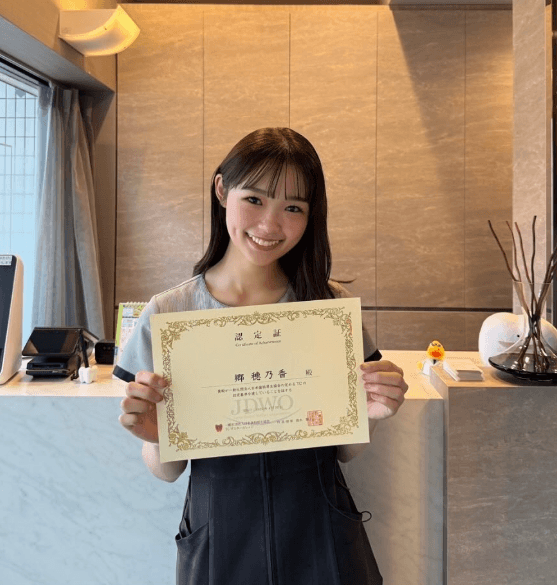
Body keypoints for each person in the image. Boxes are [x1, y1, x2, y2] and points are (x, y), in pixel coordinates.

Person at [115, 127, 408, 585]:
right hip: (219, 533)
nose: (270, 226)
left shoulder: (328, 308)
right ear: (221, 190)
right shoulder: (170, 313)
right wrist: (156, 437)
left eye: (293, 208)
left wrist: (372, 413)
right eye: (254, 199)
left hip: (319, 527)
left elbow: (344, 452)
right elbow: (167, 472)